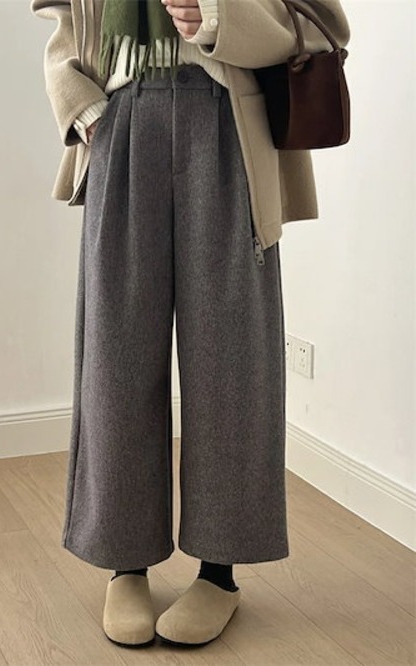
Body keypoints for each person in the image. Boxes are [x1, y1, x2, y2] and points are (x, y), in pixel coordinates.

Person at [31, 0, 350, 649]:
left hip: (229, 122)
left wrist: (217, 17)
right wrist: (80, 104)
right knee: (117, 356)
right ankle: (125, 563)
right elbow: (63, 18)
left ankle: (218, 573)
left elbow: (323, 26)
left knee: (230, 360)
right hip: (120, 119)